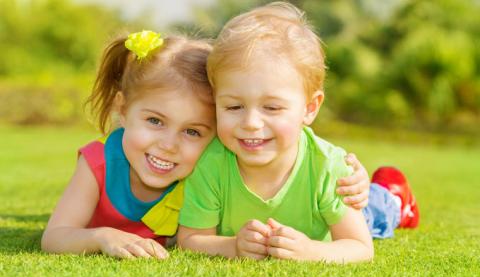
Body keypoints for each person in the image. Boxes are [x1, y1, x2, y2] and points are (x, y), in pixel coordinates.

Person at [41, 30, 371, 259]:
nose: (168, 145)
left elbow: (303, 160)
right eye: (155, 121)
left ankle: (389, 192)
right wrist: (101, 237)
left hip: (345, 208)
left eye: (193, 131)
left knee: (379, 210)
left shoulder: (209, 162)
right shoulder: (99, 163)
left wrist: (356, 175)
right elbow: (55, 236)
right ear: (122, 108)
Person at [177, 2, 419, 263]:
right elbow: (190, 239)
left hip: (351, 214)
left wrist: (312, 251)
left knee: (377, 212)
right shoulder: (211, 163)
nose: (250, 122)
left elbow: (360, 247)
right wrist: (233, 246)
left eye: (271, 107)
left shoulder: (327, 167)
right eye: (234, 106)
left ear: (310, 108)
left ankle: (394, 194)